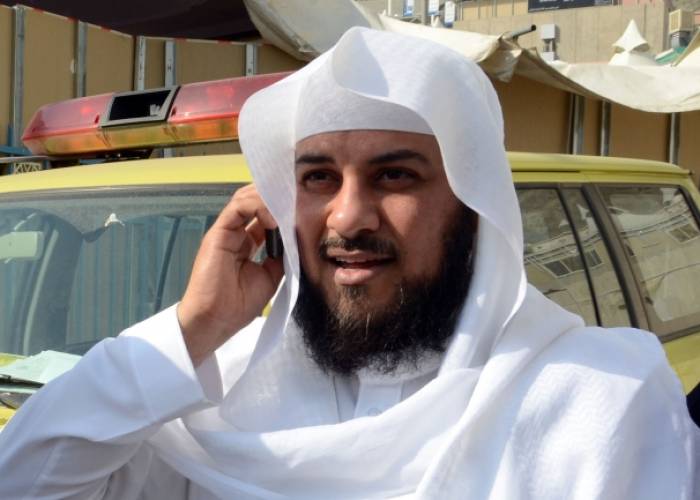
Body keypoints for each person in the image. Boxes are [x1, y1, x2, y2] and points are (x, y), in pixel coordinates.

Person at [0, 27, 696, 499]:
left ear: (473, 205)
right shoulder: (222, 398)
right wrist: (194, 328)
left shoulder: (595, 395)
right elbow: (26, 482)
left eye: (395, 176)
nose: (348, 218)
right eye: (318, 179)